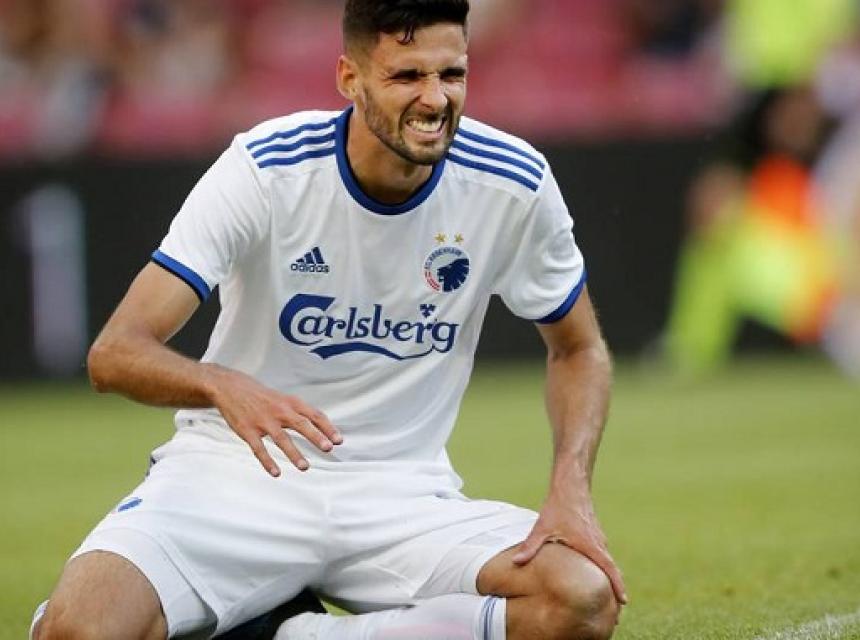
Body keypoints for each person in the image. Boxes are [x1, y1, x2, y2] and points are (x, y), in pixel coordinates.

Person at [32, 1, 626, 638]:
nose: (435, 99)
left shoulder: (512, 182)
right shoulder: (266, 168)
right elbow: (115, 352)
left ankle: (290, 633)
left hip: (399, 494)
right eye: (407, 76)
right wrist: (220, 384)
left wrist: (570, 492)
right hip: (237, 475)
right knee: (78, 631)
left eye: (451, 74)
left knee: (581, 599)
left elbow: (579, 349)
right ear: (350, 78)